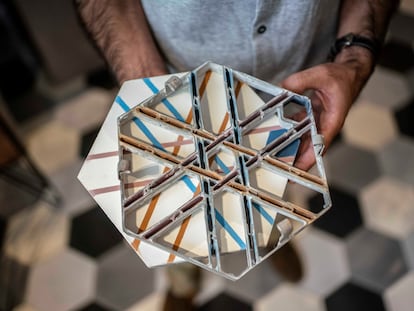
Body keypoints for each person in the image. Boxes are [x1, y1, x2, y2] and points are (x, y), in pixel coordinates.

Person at [75, 1, 399, 310]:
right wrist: (149, 88)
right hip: (175, 86)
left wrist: (355, 57)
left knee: (273, 186)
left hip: (292, 91)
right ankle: (183, 283)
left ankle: (268, 238)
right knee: (174, 209)